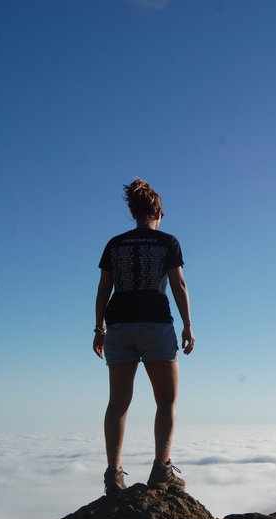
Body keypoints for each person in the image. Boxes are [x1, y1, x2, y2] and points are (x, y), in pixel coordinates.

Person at [93, 178, 195, 495]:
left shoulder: (115, 244)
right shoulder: (168, 242)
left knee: (118, 402)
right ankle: (161, 468)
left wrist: (99, 328)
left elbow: (103, 288)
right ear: (158, 213)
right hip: (155, 325)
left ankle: (113, 474)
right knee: (166, 400)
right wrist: (188, 324)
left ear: (134, 212)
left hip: (119, 325)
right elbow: (178, 285)